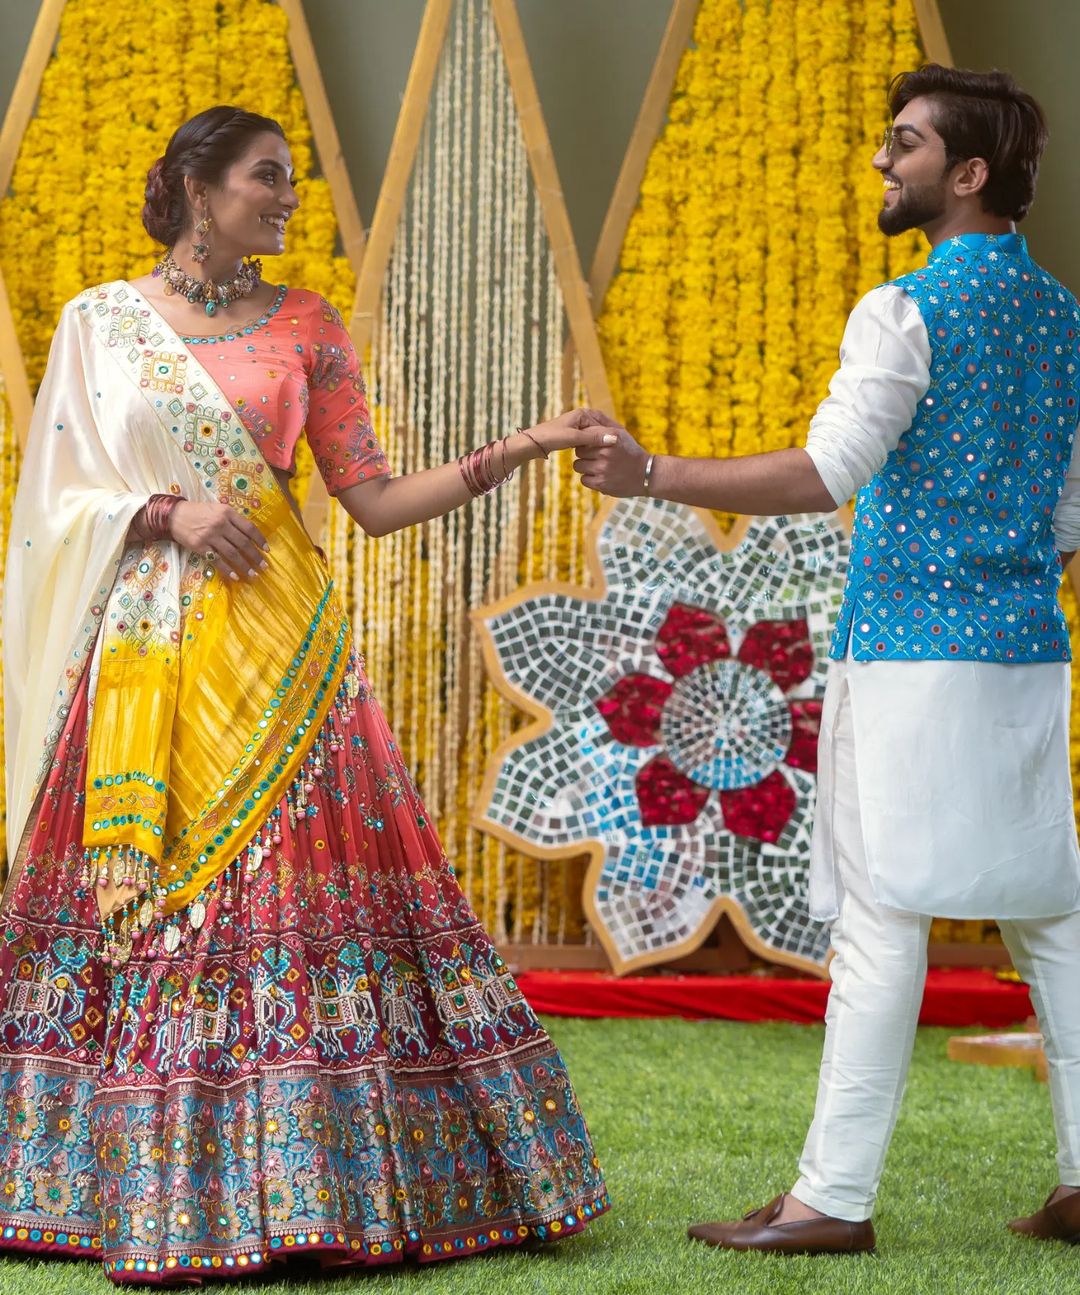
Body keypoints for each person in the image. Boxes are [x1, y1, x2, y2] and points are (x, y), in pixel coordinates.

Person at [0, 105, 611, 1285]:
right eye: (265, 179)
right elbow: (52, 505)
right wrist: (165, 511)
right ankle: (109, 1184)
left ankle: (319, 1189)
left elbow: (372, 498)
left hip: (288, 651)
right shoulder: (100, 324)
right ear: (193, 186)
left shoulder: (308, 325)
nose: (288, 198)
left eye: (289, 180)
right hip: (145, 664)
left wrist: (524, 443)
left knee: (288, 910)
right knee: (163, 909)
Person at [573, 65, 1080, 1254]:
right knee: (1054, 920)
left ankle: (830, 1199)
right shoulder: (1063, 316)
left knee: (880, 918)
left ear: (965, 174)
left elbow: (826, 472)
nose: (881, 161)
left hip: (910, 656)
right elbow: (1069, 515)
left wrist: (655, 474)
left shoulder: (903, 309)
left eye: (903, 144)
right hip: (1025, 653)